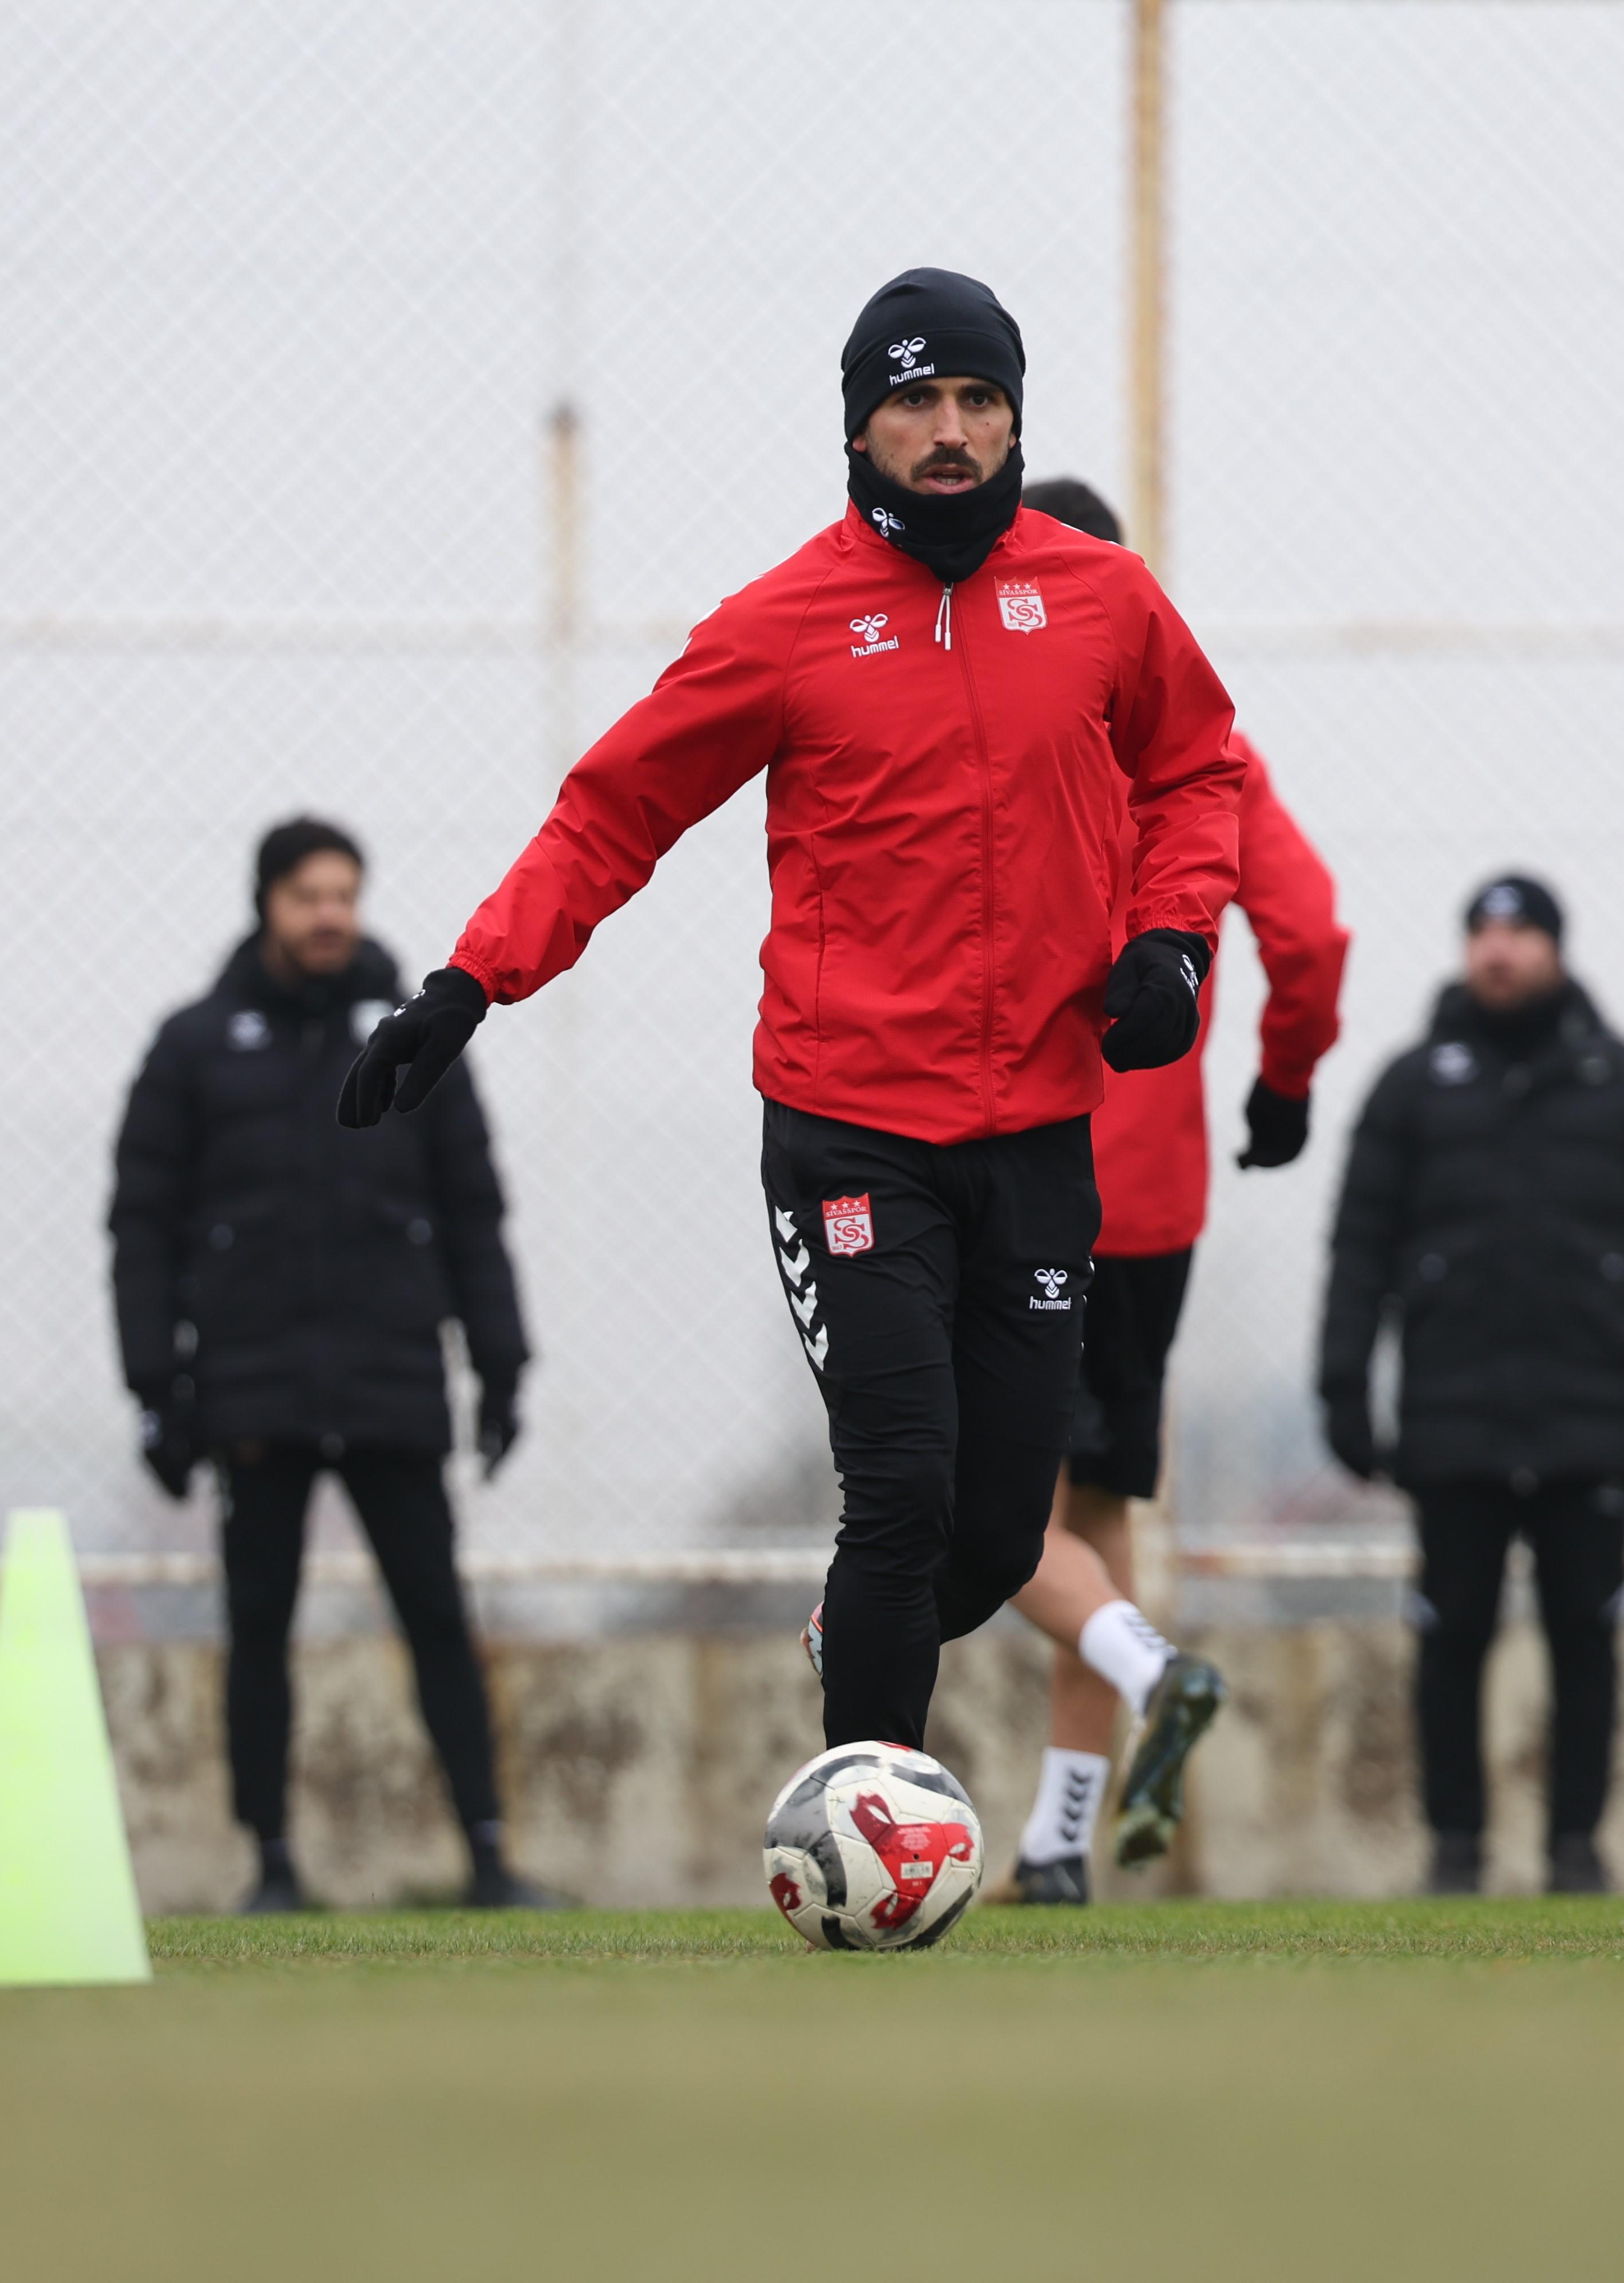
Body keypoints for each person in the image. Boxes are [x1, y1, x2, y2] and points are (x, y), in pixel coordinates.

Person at [341, 269, 1247, 1765]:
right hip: (852, 1131)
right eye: (916, 401)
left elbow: (1198, 769)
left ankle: (858, 1640)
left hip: (1039, 1127)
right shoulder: (784, 624)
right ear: (860, 426)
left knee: (999, 1527)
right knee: (901, 1486)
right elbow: (613, 812)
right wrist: (471, 980)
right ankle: (868, 1815)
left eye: (978, 400)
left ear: (1013, 417)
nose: (950, 432)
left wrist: (1172, 939)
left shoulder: (1103, 597)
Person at [989, 478, 1352, 1903]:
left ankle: (1151, 1668)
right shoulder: (1205, 748)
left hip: (1019, 1163)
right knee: (1091, 1511)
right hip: (1154, 1199)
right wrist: (1283, 1080)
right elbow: (1309, 931)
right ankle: (1059, 1844)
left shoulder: (999, 729)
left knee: (965, 1498)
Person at [110, 817, 555, 1913]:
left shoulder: (417, 1039)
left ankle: (488, 1857)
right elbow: (142, 1225)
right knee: (259, 1628)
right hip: (252, 1392)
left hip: (391, 1380)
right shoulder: (193, 1047)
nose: (329, 916)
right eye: (309, 895)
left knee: (438, 1619)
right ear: (267, 901)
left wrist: (501, 1367)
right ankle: (270, 1863)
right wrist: (155, 1387)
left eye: (344, 896)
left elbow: (474, 1210)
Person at [1317, 874, 1624, 1895]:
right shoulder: (1411, 1087)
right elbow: (1357, 1253)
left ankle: (1575, 1849)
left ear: (1555, 946)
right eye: (1483, 934)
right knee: (1449, 1637)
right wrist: (1343, 1391)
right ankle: (1454, 1849)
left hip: (1591, 1423)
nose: (1499, 951)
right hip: (1451, 1423)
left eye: (1520, 933)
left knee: (1586, 1640)